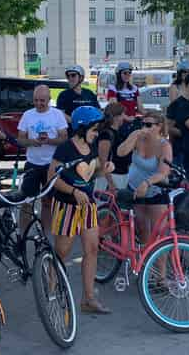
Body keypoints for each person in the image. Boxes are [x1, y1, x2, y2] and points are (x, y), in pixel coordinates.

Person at [48, 106, 113, 314]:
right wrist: (73, 191)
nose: (96, 133)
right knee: (62, 252)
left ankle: (88, 298)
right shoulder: (65, 149)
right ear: (81, 128)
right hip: (67, 206)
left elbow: (90, 175)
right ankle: (50, 294)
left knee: (92, 250)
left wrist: (104, 170)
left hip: (88, 206)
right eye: (94, 129)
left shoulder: (91, 147)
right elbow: (52, 178)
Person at [17, 85, 69, 230]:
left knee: (48, 201)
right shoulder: (28, 115)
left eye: (42, 101)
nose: (39, 104)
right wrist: (33, 142)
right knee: (26, 201)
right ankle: (23, 234)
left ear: (49, 100)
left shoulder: (57, 114)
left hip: (50, 165)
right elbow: (20, 139)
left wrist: (49, 141)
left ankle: (45, 236)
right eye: (36, 100)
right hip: (33, 164)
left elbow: (64, 138)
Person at [121, 111, 173, 251]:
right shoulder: (138, 138)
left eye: (149, 125)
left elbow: (164, 172)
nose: (145, 127)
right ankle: (143, 266)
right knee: (143, 230)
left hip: (155, 191)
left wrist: (147, 183)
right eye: (143, 124)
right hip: (135, 190)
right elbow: (121, 152)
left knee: (160, 235)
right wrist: (133, 135)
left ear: (159, 127)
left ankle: (160, 272)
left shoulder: (164, 146)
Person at [96, 102, 128, 190]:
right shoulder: (106, 134)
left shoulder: (119, 132)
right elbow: (103, 161)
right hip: (110, 178)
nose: (124, 117)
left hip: (121, 175)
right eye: (123, 114)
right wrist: (111, 183)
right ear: (116, 117)